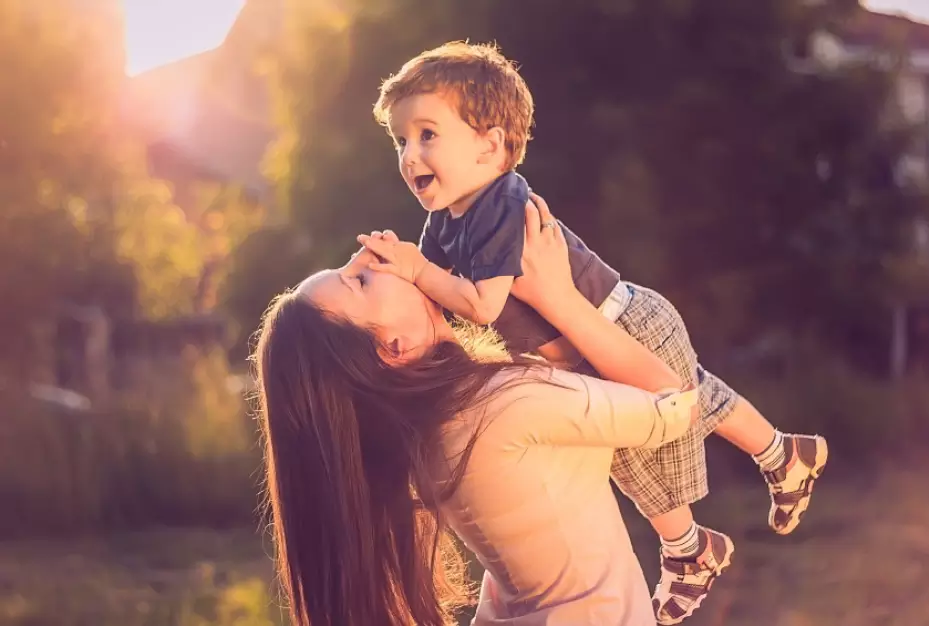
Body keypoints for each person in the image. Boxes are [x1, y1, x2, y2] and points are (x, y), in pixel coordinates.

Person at [364, 41, 829, 624]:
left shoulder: (502, 203)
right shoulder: (443, 225)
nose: (410, 155)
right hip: (580, 350)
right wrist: (389, 276)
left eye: (427, 134)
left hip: (619, 321)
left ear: (490, 145)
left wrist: (414, 268)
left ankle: (697, 543)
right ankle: (779, 460)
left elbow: (482, 305)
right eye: (401, 141)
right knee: (667, 419)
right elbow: (436, 298)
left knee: (659, 432)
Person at [253, 199, 700, 626]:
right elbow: (674, 405)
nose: (370, 255)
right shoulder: (503, 403)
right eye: (361, 282)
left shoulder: (432, 432)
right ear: (392, 348)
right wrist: (559, 298)